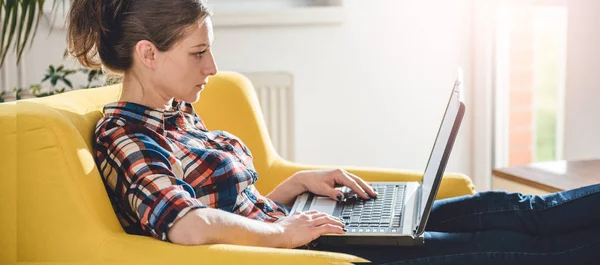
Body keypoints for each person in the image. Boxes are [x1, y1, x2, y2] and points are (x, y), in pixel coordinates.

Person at [67, 0, 600, 264]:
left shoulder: (174, 112)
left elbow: (228, 205)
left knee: (518, 211)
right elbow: (189, 226)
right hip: (314, 255)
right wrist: (286, 233)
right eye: (199, 53)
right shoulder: (126, 138)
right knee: (517, 246)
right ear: (148, 55)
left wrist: (292, 187)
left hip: (304, 231)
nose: (212, 68)